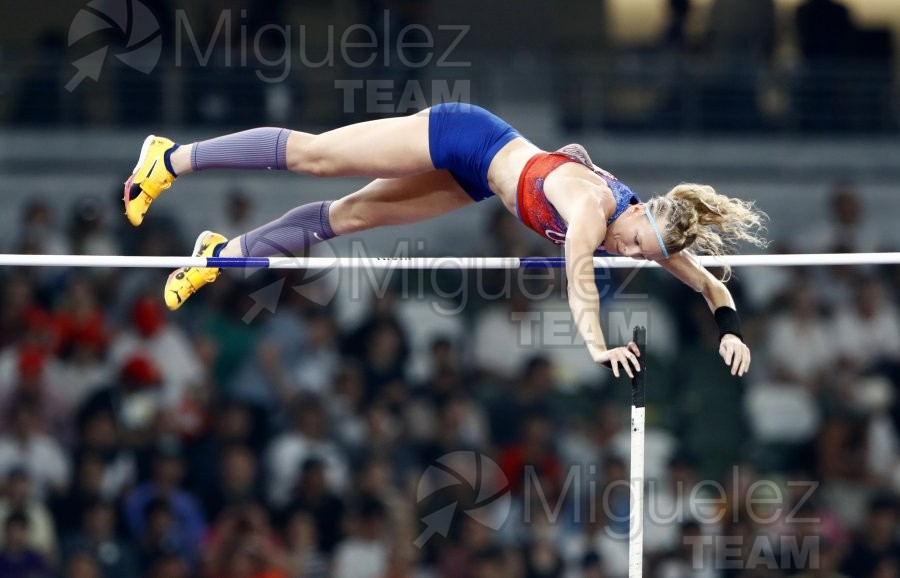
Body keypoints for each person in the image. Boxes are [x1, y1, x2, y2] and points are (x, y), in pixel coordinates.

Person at [123, 103, 765, 378]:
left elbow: (708, 283)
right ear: (634, 218)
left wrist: (730, 328)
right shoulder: (594, 210)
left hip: (480, 182)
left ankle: (221, 256)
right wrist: (595, 347)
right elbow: (577, 283)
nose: (627, 256)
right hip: (467, 137)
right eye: (631, 247)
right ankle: (171, 157)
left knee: (346, 218)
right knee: (318, 157)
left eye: (641, 258)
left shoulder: (645, 230)